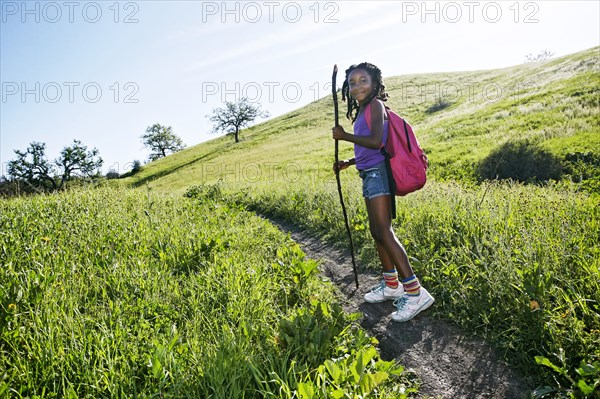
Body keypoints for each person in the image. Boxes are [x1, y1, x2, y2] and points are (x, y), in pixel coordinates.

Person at [332, 62, 434, 322]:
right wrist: (349, 162)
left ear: (375, 83)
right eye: (352, 83)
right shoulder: (363, 110)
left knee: (385, 230)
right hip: (369, 173)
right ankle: (391, 285)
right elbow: (372, 147)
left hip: (379, 174)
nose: (357, 86)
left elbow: (377, 141)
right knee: (376, 231)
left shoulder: (376, 106)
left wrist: (344, 137)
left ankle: (415, 292)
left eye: (363, 80)